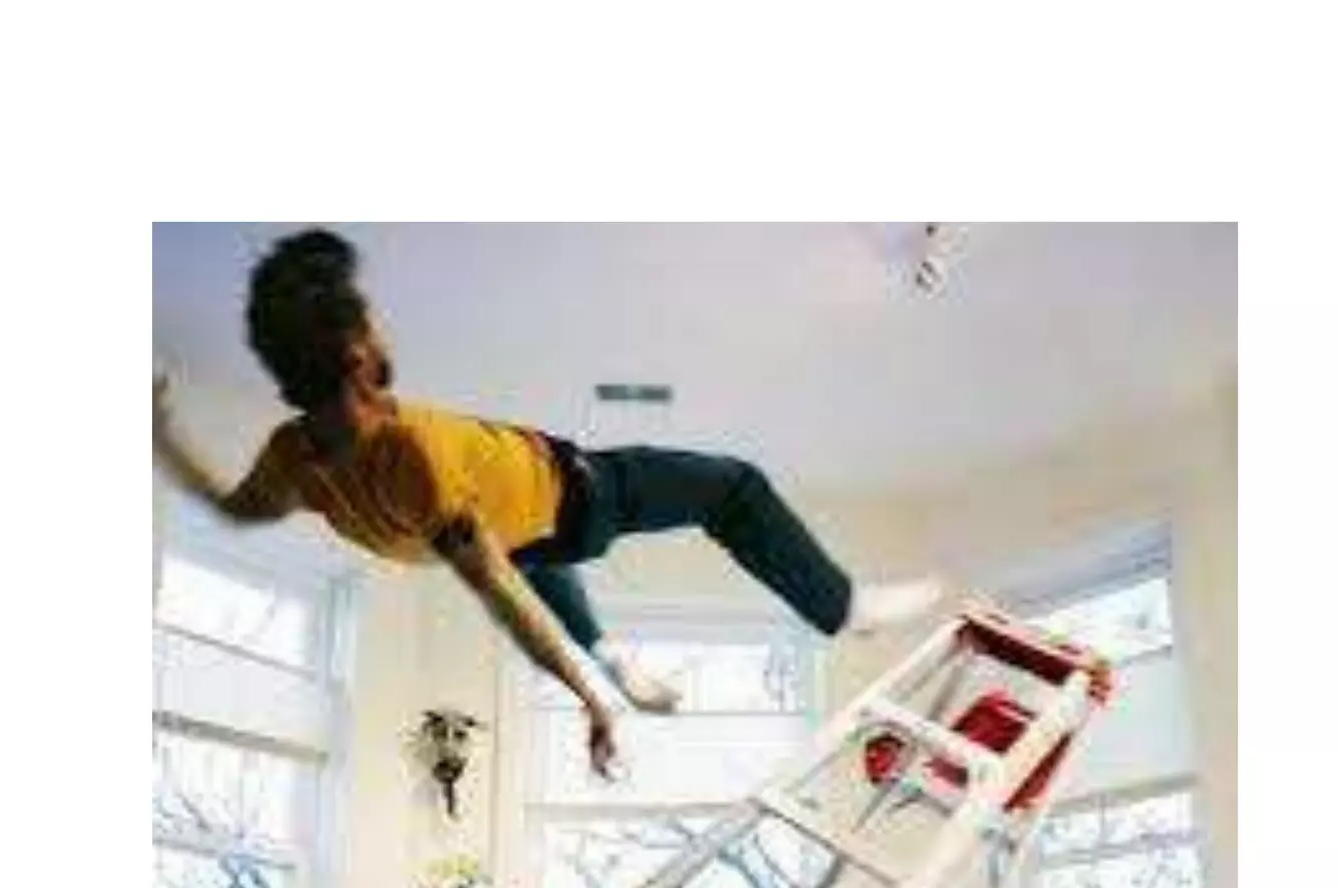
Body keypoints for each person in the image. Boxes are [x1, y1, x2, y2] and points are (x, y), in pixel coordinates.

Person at [153, 227, 946, 777]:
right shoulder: (411, 456)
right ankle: (841, 606)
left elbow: (231, 508)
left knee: (530, 554)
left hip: (525, 535)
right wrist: (588, 702)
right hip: (581, 497)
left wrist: (159, 437)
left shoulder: (293, 456)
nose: (384, 330)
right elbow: (500, 594)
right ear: (359, 354)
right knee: (733, 488)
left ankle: (611, 655)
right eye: (373, 319)